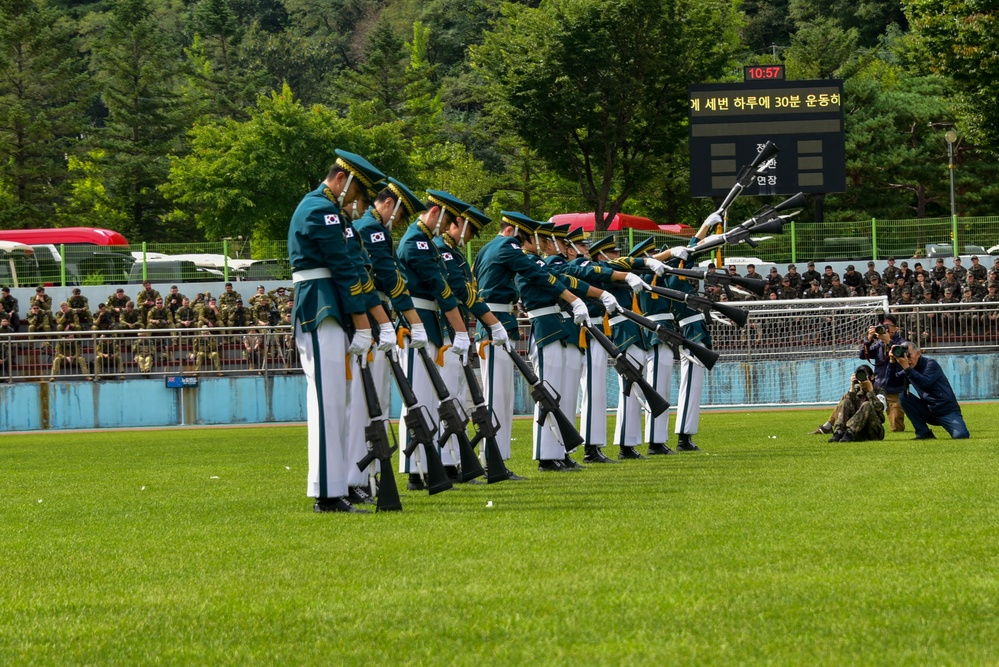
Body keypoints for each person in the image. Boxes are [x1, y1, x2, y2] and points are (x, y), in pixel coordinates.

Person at [288, 148, 385, 513]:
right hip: (320, 306)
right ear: (341, 180)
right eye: (357, 195)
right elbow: (343, 267)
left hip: (332, 307)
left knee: (339, 401)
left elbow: (354, 269)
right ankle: (327, 492)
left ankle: (338, 485)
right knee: (329, 403)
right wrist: (364, 324)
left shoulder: (331, 211)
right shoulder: (318, 208)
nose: (358, 205)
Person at [893, 342, 969, 439]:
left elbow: (925, 383)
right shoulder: (909, 369)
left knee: (961, 436)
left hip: (947, 411)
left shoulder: (930, 364)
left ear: (918, 353)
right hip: (929, 411)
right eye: (905, 356)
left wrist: (907, 368)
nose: (908, 359)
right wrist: (892, 362)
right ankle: (923, 433)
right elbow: (892, 383)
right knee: (904, 397)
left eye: (909, 355)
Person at [858, 314, 906, 432]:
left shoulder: (902, 342)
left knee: (897, 428)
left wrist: (889, 341)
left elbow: (902, 354)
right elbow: (862, 355)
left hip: (894, 391)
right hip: (878, 390)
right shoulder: (879, 344)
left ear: (896, 328)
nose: (885, 329)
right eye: (882, 326)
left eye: (888, 326)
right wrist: (868, 340)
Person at [827, 365, 887, 443]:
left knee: (867, 405)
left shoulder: (879, 391)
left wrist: (871, 391)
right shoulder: (856, 391)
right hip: (858, 432)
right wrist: (852, 386)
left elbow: (880, 408)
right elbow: (846, 406)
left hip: (873, 431)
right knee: (845, 402)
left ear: (872, 377)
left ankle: (849, 433)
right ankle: (839, 432)